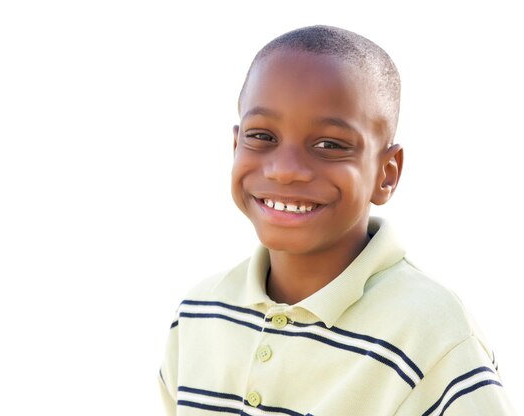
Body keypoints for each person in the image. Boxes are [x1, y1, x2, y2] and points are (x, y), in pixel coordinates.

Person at [158, 25, 515, 416]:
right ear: (235, 145)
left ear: (387, 173)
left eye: (329, 145)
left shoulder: (432, 333)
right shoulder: (198, 314)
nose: (284, 171)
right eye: (262, 136)